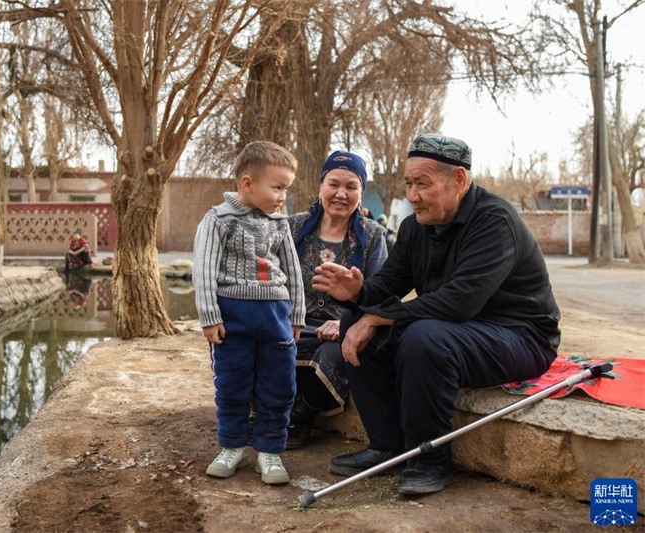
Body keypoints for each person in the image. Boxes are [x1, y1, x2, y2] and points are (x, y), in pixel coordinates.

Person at [312, 133, 560, 495]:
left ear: (458, 180)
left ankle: (429, 460)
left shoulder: (495, 220)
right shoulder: (416, 226)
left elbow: (460, 301)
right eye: (409, 184)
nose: (413, 195)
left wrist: (379, 316)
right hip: (457, 330)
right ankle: (388, 446)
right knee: (355, 322)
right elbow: (389, 285)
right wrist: (357, 294)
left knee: (423, 336)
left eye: (423, 184)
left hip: (521, 337)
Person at [193, 140, 305, 485]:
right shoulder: (218, 220)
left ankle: (270, 451)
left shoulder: (279, 223)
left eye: (286, 189)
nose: (283, 196)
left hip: (275, 315)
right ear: (247, 183)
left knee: (279, 384)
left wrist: (297, 316)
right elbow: (204, 269)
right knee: (232, 383)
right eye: (277, 188)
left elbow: (293, 270)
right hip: (233, 317)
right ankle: (232, 446)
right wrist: (210, 317)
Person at [286, 151, 387, 449]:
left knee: (340, 351)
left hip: (339, 328)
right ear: (321, 186)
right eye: (333, 184)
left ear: (361, 192)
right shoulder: (291, 228)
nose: (341, 194)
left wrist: (345, 321)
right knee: (269, 338)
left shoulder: (374, 236)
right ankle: (269, 407)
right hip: (294, 322)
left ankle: (300, 417)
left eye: (351, 186)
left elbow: (381, 293)